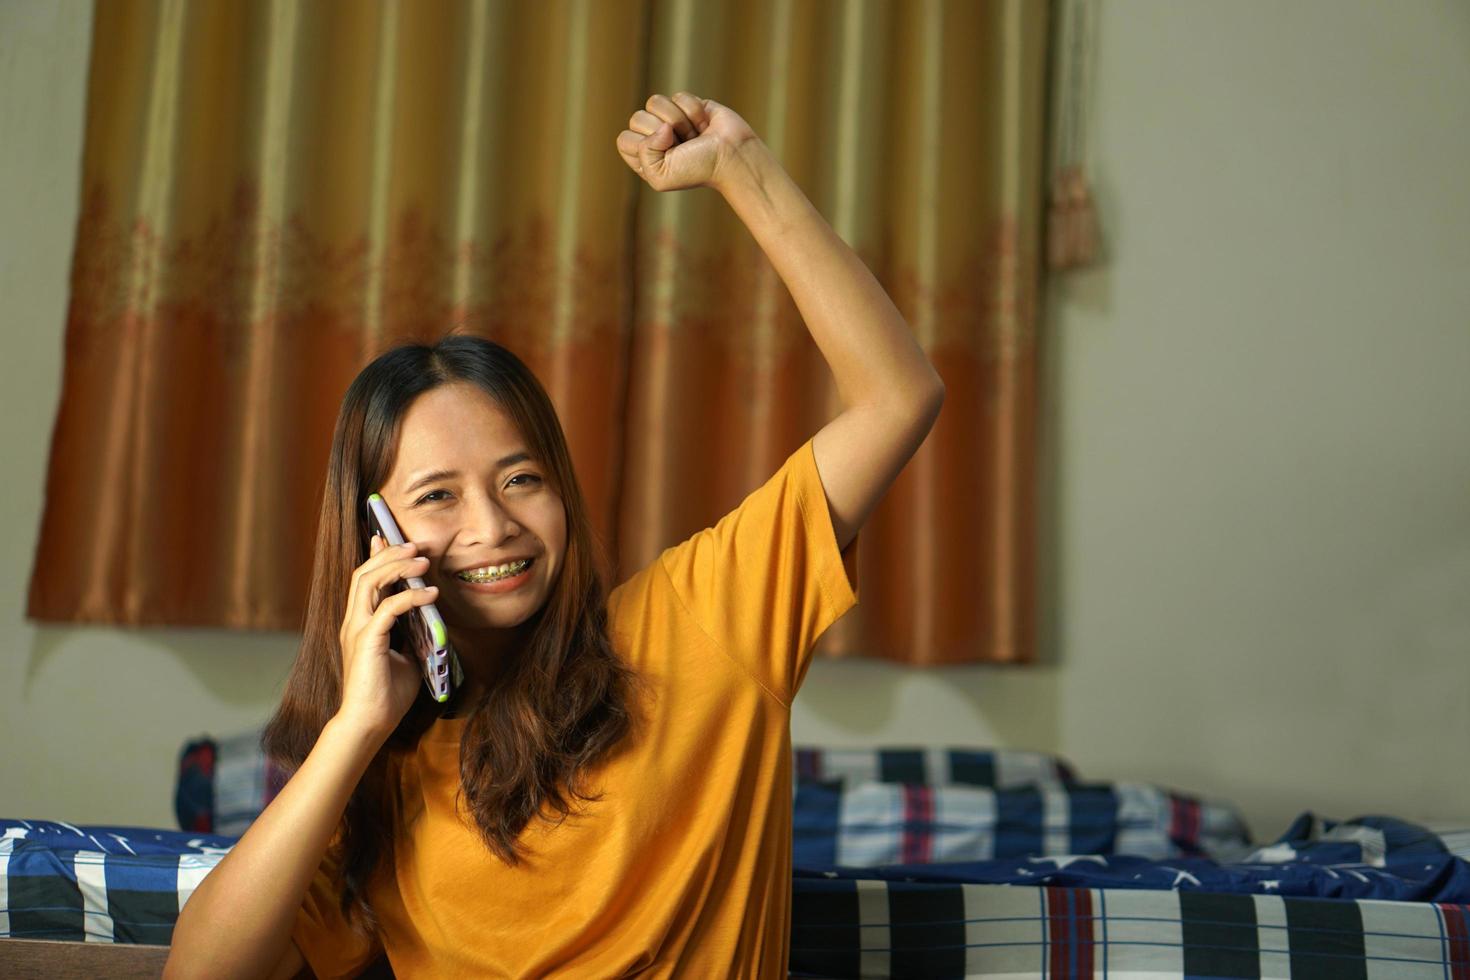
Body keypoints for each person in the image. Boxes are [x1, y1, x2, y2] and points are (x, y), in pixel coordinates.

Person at [164, 91, 944, 979]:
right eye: (438, 497)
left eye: (521, 480)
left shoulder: (703, 622)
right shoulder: (374, 766)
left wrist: (741, 168)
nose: (494, 526)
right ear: (376, 536)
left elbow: (897, 397)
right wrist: (355, 728)